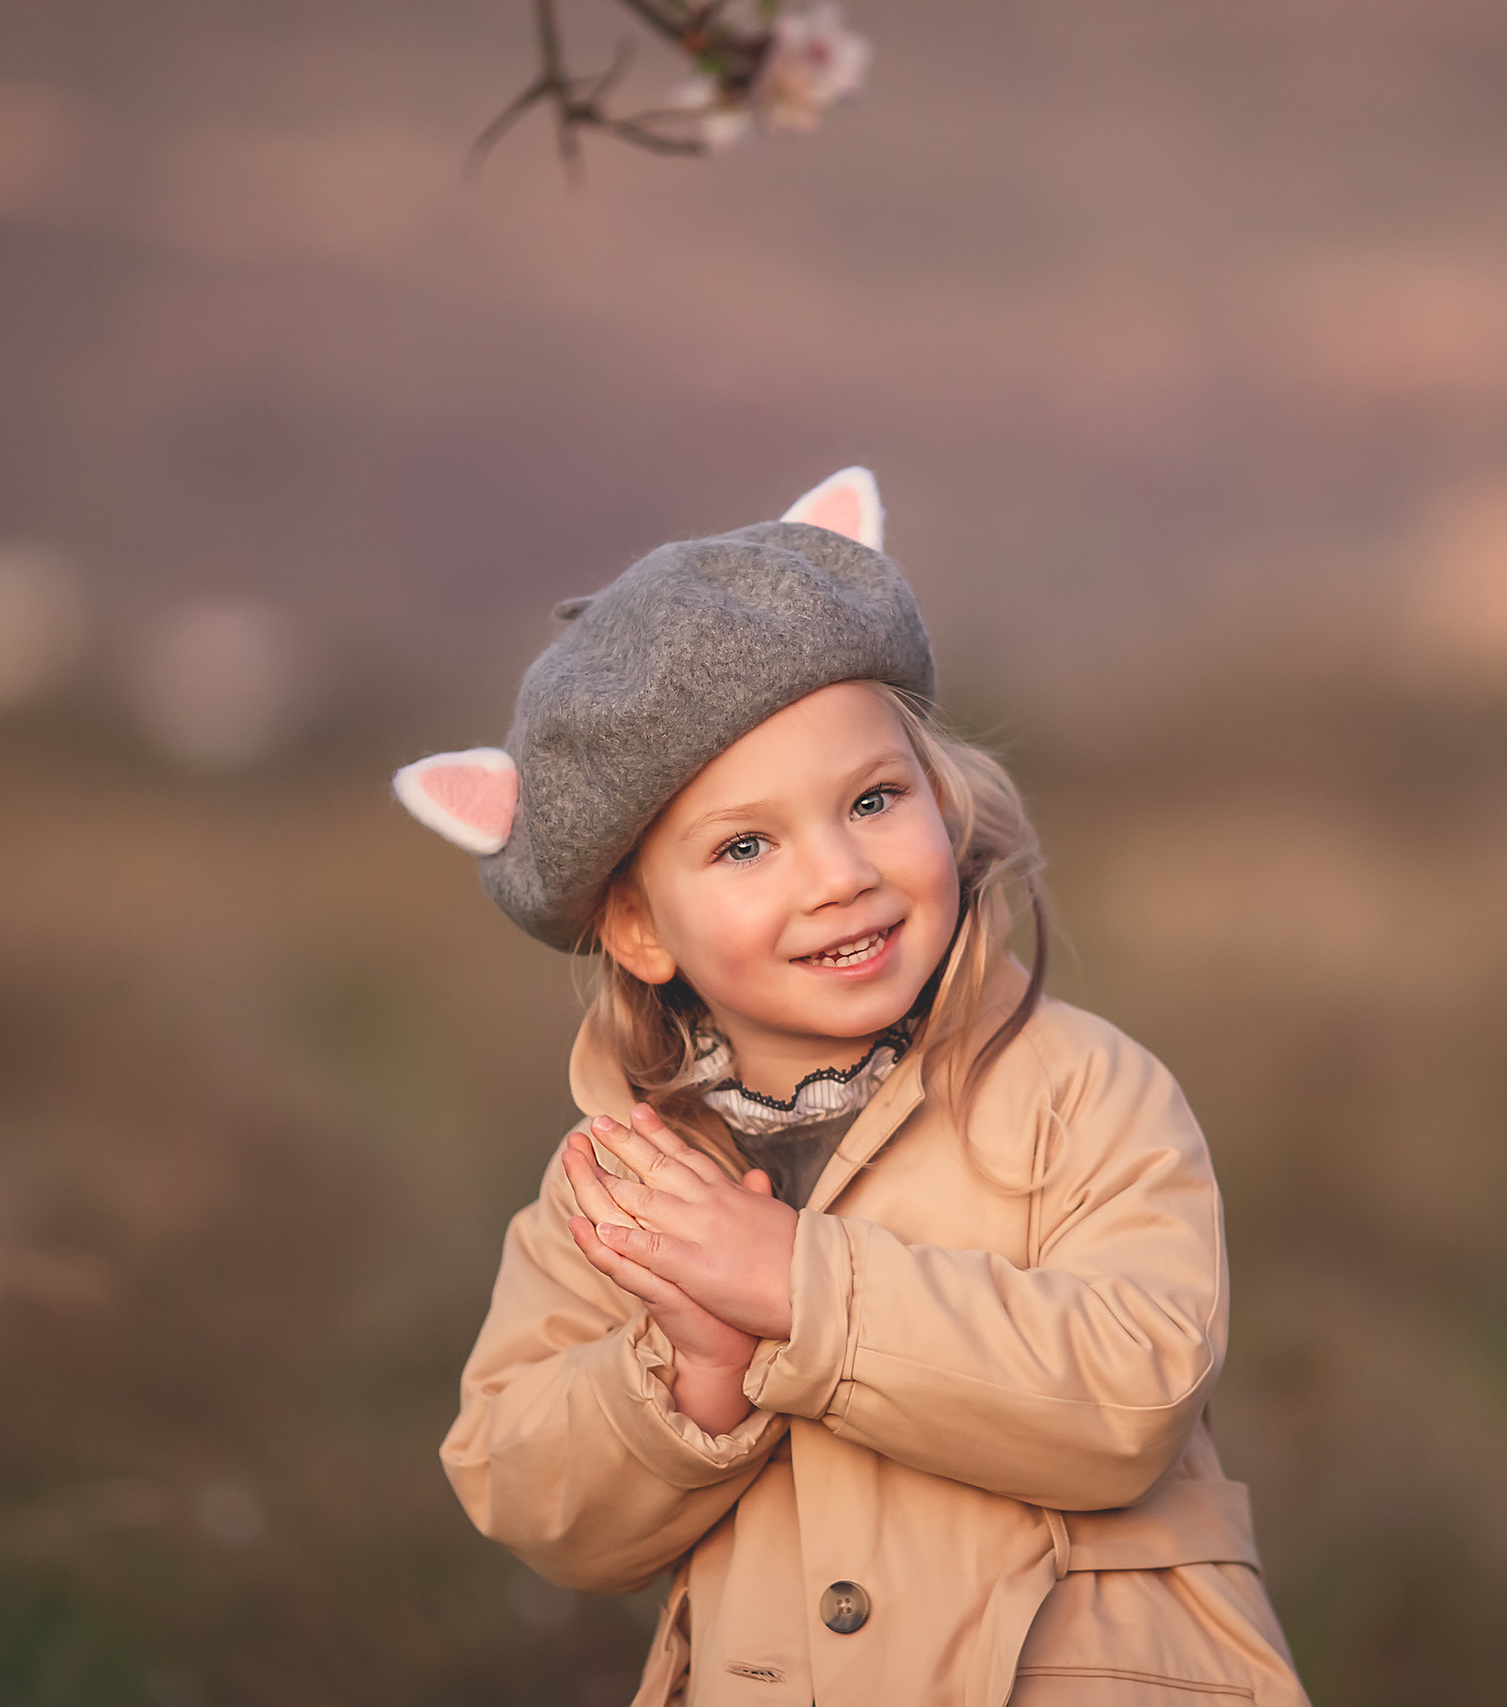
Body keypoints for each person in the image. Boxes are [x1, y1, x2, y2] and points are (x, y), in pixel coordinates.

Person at [393, 468, 1306, 1706]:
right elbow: (527, 1490)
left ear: (941, 799)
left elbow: (1129, 1389)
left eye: (872, 800)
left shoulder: (1080, 1093)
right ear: (639, 929)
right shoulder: (624, 1191)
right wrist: (686, 1375)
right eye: (745, 846)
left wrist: (794, 1288)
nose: (838, 875)